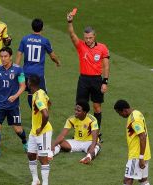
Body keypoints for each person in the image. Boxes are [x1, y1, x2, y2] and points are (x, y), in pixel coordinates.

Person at [66, 11, 110, 142]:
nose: (88, 40)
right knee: (80, 106)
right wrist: (70, 22)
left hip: (97, 80)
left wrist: (105, 82)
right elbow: (72, 35)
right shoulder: (80, 46)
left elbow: (106, 66)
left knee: (97, 107)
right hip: (84, 79)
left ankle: (96, 133)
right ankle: (79, 131)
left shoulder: (102, 48)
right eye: (86, 38)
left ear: (94, 36)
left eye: (90, 38)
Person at [15, 18, 60, 108]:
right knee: (43, 95)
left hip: (25, 74)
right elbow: (52, 56)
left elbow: (19, 54)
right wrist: (57, 62)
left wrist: (16, 68)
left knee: (29, 93)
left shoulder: (25, 39)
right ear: (42, 28)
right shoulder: (44, 41)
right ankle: (39, 114)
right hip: (38, 75)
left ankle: (33, 112)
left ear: (32, 27)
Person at [114, 100, 151, 185]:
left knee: (127, 180)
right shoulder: (137, 113)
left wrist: (141, 158)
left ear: (124, 110)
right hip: (145, 153)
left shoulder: (134, 120)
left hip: (137, 155)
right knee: (143, 180)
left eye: (119, 113)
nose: (120, 115)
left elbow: (142, 136)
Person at [27, 75, 53, 185]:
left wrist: (40, 128)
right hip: (34, 131)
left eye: (27, 81)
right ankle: (35, 180)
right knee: (31, 154)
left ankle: (45, 183)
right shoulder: (41, 91)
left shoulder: (38, 98)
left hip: (43, 132)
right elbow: (49, 102)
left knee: (43, 158)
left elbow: (46, 115)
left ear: (30, 83)